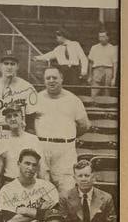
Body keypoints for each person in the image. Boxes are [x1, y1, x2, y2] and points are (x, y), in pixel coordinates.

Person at [33, 67, 90, 195]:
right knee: (42, 189)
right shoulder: (36, 98)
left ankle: (66, 215)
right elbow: (29, 123)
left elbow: (84, 125)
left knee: (67, 189)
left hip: (65, 149)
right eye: (48, 78)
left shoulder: (73, 100)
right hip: (42, 147)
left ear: (61, 79)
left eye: (55, 78)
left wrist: (68, 137)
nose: (51, 81)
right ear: (44, 80)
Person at [0, 148, 60, 222]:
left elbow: (55, 216)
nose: (30, 168)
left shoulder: (48, 187)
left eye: (34, 165)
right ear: (18, 164)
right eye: (27, 163)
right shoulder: (7, 189)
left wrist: (26, 211)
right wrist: (41, 211)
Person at [0, 50, 38, 138]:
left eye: (12, 64)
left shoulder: (28, 88)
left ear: (17, 66)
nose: (9, 67)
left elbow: (31, 119)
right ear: (0, 66)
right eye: (6, 63)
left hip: (20, 133)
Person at [0, 104, 46, 190]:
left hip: (31, 185)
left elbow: (41, 168)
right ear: (6, 120)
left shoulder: (33, 139)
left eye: (16, 115)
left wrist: (43, 187)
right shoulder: (2, 141)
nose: (13, 119)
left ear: (22, 118)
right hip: (10, 184)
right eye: (9, 117)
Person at [87, 29, 118, 97]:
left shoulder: (112, 48)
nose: (101, 39)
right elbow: (90, 63)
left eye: (103, 36)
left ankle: (106, 106)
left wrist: (114, 78)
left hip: (108, 70)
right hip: (96, 70)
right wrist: (90, 76)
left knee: (106, 91)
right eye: (100, 37)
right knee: (95, 90)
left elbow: (115, 64)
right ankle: (94, 105)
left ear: (108, 37)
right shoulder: (94, 47)